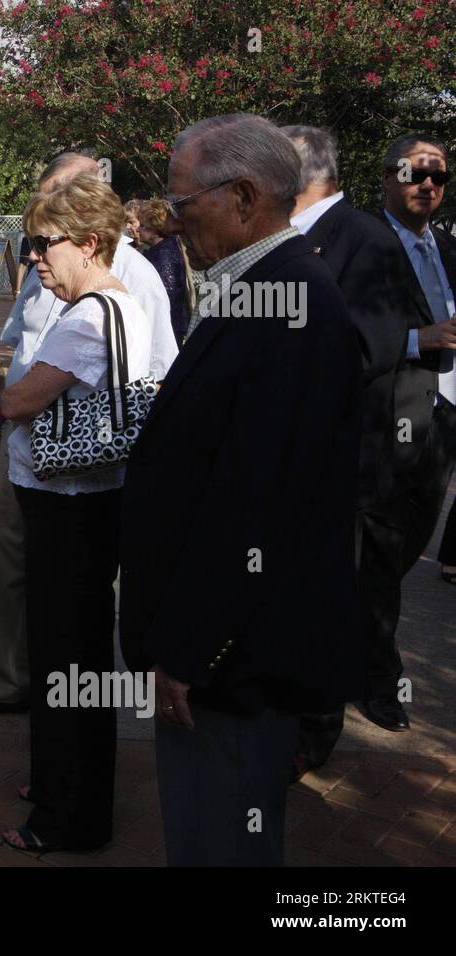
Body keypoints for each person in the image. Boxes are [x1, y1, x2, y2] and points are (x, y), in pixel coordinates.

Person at [119, 114, 362, 866]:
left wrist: (192, 648)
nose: (173, 222)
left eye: (183, 204)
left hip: (233, 660)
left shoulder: (293, 305)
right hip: (216, 648)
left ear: (245, 197)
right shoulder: (255, 288)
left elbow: (259, 502)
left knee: (223, 837)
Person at [0, 172, 176, 852]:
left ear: (90, 242)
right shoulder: (125, 302)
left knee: (66, 663)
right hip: (97, 501)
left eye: (43, 244)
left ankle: (65, 820)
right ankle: (60, 790)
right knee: (83, 662)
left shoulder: (84, 319)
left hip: (66, 510)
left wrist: (3, 401)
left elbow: (19, 402)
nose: (34, 257)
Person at [280, 126, 437, 769]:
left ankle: (312, 736)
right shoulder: (300, 236)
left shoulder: (361, 238)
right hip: (309, 451)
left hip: (351, 452)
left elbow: (372, 343)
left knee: (338, 589)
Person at [375, 133, 456, 724]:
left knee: (408, 547)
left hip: (443, 419)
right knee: (381, 552)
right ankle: (378, 677)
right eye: (415, 172)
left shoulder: (445, 247)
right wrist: (412, 340)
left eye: (439, 177)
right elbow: (337, 334)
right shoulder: (367, 245)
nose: (427, 184)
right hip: (390, 418)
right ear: (389, 177)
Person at [140, 198, 196, 344]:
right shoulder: (161, 251)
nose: (138, 229)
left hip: (168, 330)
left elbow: (165, 297)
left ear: (155, 229)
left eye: (143, 226)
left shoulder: (164, 255)